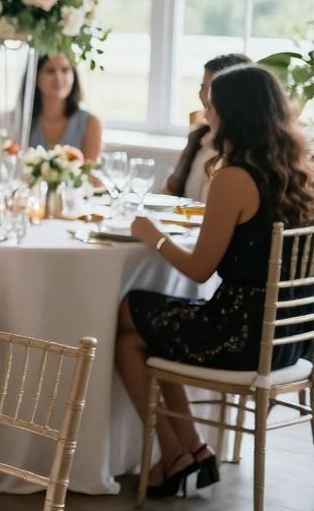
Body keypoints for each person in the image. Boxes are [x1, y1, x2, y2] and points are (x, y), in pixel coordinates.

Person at [119, 64, 314, 498]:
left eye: (213, 106)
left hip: (237, 336)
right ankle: (191, 450)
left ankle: (176, 455)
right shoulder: (300, 175)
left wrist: (154, 236)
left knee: (130, 314)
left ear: (235, 113)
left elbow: (199, 270)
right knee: (150, 330)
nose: (207, 114)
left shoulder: (234, 178)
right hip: (288, 341)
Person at [164, 53, 251, 201]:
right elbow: (169, 190)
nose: (202, 95)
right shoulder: (199, 137)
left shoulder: (244, 154)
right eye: (202, 86)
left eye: (210, 88)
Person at [27, 53, 102, 162]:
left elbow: (88, 171)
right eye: (50, 71)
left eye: (65, 70)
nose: (58, 77)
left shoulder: (91, 123)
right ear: (35, 76)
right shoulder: (20, 121)